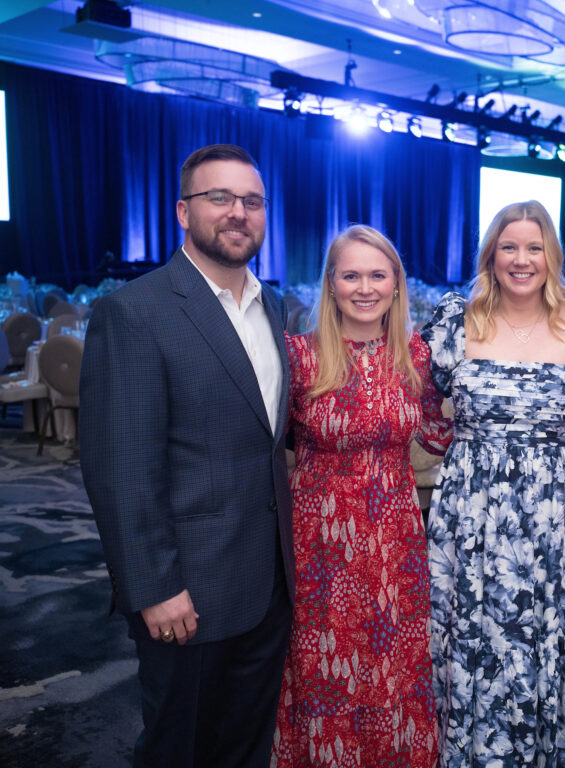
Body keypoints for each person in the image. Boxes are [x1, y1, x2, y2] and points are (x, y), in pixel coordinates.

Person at [79, 144, 294, 767]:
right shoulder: (134, 311)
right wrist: (154, 586)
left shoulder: (273, 306)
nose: (237, 213)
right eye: (218, 198)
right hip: (187, 590)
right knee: (178, 748)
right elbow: (121, 467)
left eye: (251, 201)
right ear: (182, 211)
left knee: (246, 746)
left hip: (269, 583)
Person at [421, 200, 565, 767]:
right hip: (472, 509)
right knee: (474, 630)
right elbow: (414, 401)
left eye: (534, 247)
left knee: (550, 632)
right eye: (509, 246)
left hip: (556, 514)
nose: (522, 259)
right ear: (492, 254)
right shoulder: (456, 321)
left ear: (552, 256)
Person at [272, 225, 451, 767]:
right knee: (327, 670)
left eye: (378, 275)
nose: (365, 287)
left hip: (395, 539)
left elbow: (441, 434)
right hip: (321, 542)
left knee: (394, 665)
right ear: (331, 285)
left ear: (397, 284)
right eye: (351, 275)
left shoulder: (415, 357)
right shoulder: (298, 357)